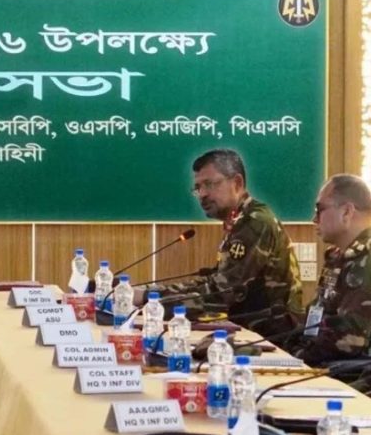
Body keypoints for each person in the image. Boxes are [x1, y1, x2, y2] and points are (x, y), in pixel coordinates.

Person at [146, 149, 303, 336]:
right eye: (198, 188)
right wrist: (152, 293)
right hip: (249, 333)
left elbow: (221, 293)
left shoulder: (255, 221)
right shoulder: (239, 221)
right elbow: (216, 281)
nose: (202, 194)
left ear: (237, 183)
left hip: (272, 339)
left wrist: (151, 300)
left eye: (209, 184)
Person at [285, 175, 371, 374]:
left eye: (319, 209)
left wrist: (297, 356)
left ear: (347, 212)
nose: (314, 219)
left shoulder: (367, 260)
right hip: (330, 364)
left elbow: (351, 337)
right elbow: (317, 316)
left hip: (356, 375)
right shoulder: (338, 257)